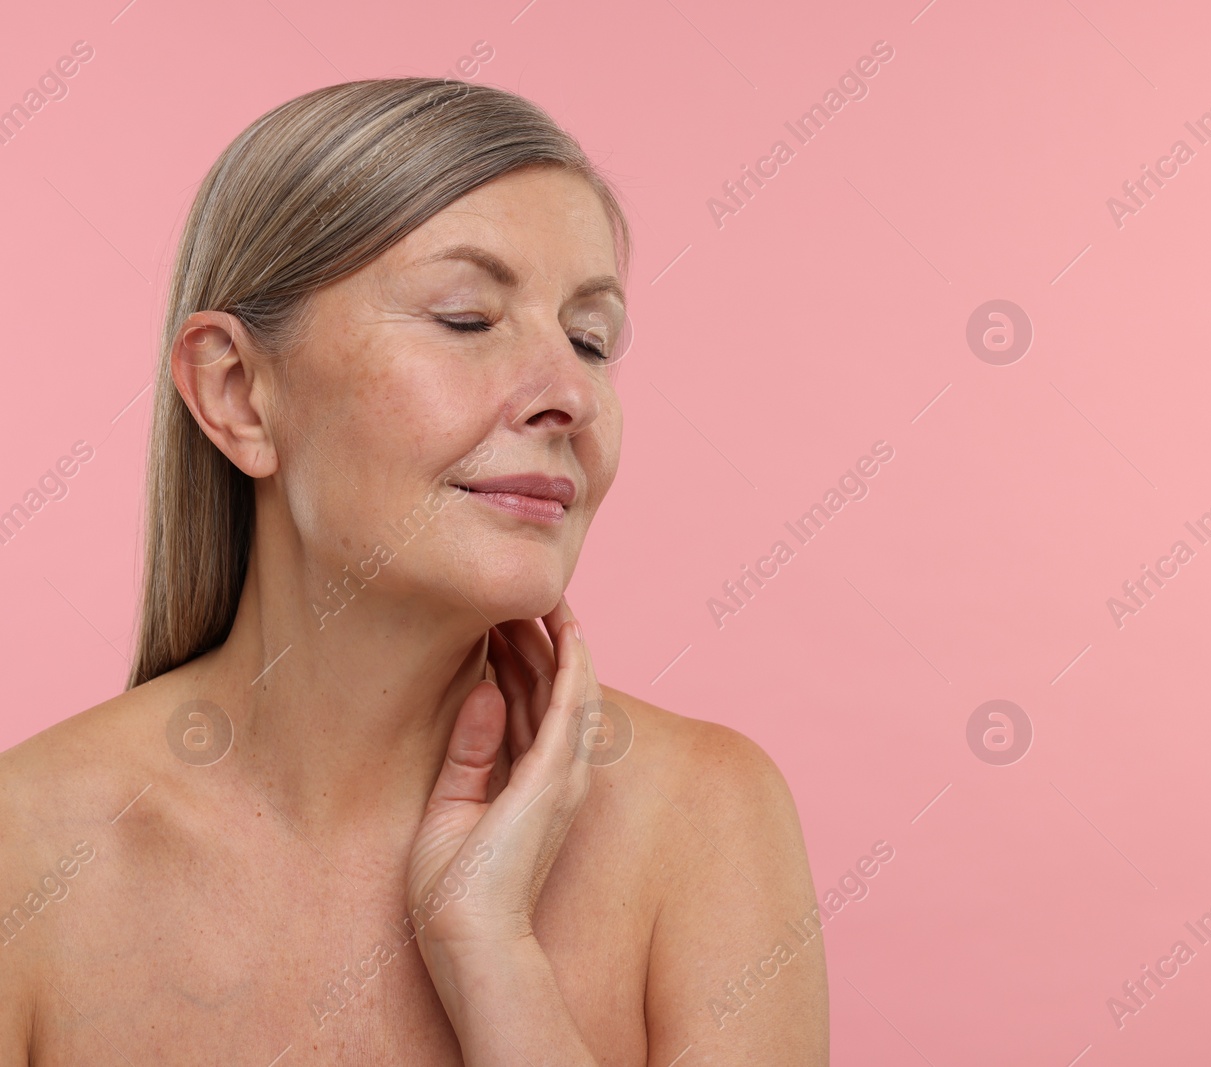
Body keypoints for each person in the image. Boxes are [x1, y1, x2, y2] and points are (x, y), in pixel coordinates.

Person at [0, 78, 828, 1065]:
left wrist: (493, 956)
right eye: (467, 319)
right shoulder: (28, 855)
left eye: (590, 338)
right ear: (238, 394)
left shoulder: (706, 820)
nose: (569, 391)